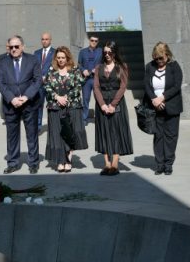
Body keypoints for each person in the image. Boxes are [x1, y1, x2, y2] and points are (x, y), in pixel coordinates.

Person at [0, 35, 42, 174]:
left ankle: (33, 163)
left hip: (30, 103)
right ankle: (13, 163)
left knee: (32, 135)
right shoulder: (3, 62)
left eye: (16, 46)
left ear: (23, 47)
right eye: (11, 47)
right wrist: (12, 98)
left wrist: (27, 96)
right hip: (11, 105)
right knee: (12, 136)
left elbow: (37, 80)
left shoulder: (33, 59)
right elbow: (0, 83)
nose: (14, 49)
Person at [43, 46, 88, 172]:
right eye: (58, 58)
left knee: (70, 133)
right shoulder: (51, 70)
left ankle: (68, 159)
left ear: (67, 58)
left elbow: (78, 85)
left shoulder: (75, 70)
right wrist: (57, 97)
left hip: (72, 106)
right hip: (55, 107)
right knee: (57, 134)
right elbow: (46, 86)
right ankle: (60, 160)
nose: (60, 60)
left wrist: (66, 97)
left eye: (63, 57)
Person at [93, 41, 133, 175]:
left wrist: (112, 104)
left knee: (116, 132)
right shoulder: (98, 68)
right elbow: (96, 87)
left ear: (114, 53)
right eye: (105, 52)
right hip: (102, 104)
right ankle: (107, 164)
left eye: (109, 52)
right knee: (104, 132)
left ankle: (115, 164)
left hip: (117, 103)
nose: (107, 55)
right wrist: (102, 104)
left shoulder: (122, 67)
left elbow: (123, 87)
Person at [143, 42, 183, 176]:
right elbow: (147, 85)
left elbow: (176, 86)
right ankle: (159, 164)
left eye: (161, 58)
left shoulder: (174, 66)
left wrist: (162, 98)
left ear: (167, 55)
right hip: (155, 107)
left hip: (171, 106)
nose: (159, 61)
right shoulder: (149, 67)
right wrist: (154, 99)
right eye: (156, 58)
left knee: (171, 136)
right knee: (158, 136)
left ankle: (168, 164)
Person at [78, 35, 102, 123]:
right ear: (89, 40)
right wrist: (83, 70)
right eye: (92, 40)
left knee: (99, 99)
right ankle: (84, 118)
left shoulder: (101, 51)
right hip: (86, 80)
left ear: (98, 42)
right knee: (85, 99)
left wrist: (98, 69)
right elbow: (79, 64)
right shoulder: (82, 52)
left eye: (96, 41)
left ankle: (100, 119)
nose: (94, 42)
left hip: (96, 79)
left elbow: (104, 63)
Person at [34, 32, 55, 132]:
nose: (44, 41)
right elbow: (34, 67)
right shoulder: (36, 53)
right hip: (39, 84)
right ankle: (38, 126)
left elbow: (56, 67)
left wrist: (46, 77)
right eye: (42, 39)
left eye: (46, 39)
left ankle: (52, 126)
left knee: (51, 105)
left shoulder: (55, 52)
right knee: (39, 106)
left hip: (50, 83)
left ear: (50, 40)